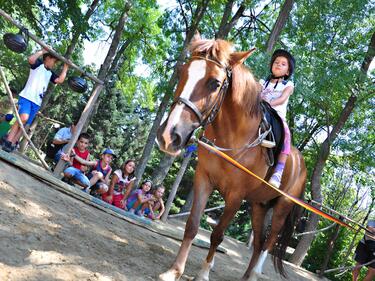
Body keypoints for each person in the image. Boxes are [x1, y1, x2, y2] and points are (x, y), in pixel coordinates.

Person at [2, 48, 69, 152]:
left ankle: (12, 143)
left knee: (24, 124)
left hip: (36, 102)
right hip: (27, 97)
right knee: (23, 118)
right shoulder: (38, 65)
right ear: (47, 58)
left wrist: (65, 68)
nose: (54, 64)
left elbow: (60, 80)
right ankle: (8, 140)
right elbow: (31, 59)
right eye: (54, 61)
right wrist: (43, 50)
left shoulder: (51, 73)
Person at [260, 49, 295, 188]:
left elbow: (282, 99)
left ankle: (278, 171)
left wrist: (268, 104)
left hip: (276, 114)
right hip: (259, 110)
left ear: (287, 71)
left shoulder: (288, 85)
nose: (278, 65)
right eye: (276, 62)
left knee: (286, 134)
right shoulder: (263, 82)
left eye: (283, 64)